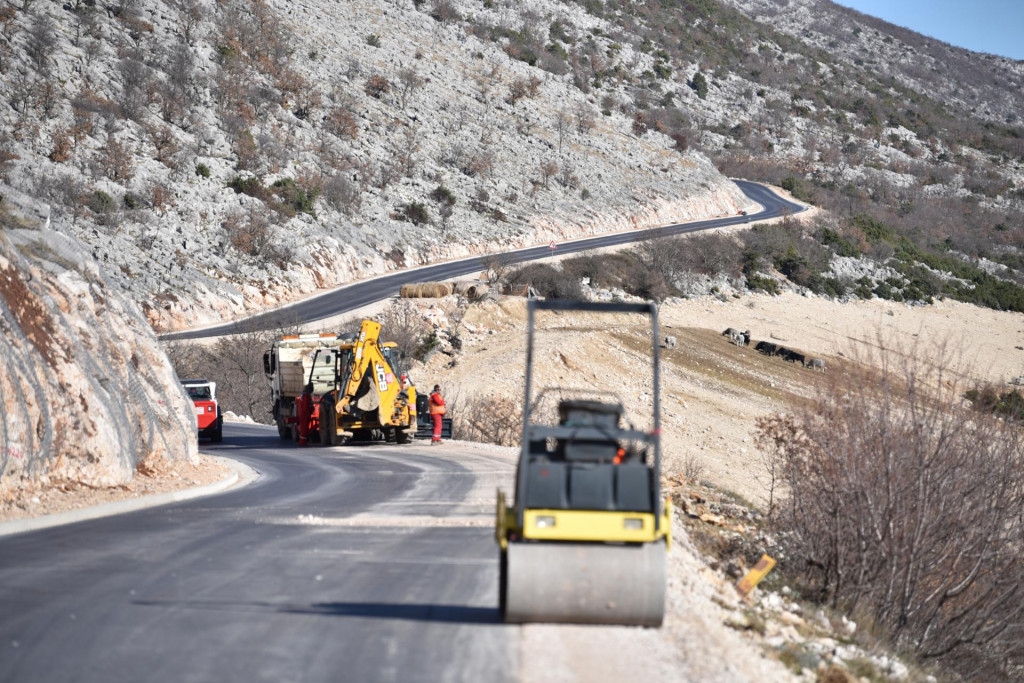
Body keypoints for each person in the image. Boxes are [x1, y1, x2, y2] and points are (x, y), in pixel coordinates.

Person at [295, 383, 314, 447]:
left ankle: (302, 441)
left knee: (303, 428)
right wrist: (310, 410)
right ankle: (302, 442)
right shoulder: (306, 396)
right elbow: (306, 406)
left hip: (302, 413)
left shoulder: (303, 395)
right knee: (304, 429)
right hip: (305, 414)